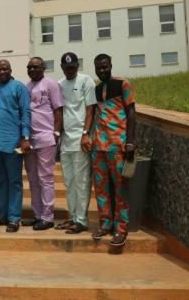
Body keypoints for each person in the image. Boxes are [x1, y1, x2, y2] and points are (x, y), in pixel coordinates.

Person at [90, 53, 136, 247]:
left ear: (110, 65)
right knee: (101, 189)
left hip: (118, 145)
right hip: (99, 146)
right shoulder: (97, 88)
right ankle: (106, 223)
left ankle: (121, 229)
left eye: (105, 67)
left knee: (120, 190)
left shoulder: (122, 85)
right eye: (98, 68)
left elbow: (132, 113)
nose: (102, 71)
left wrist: (131, 142)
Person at [0, 59, 31, 233]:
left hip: (13, 143)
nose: (2, 71)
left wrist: (25, 137)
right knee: (1, 182)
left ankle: (14, 218)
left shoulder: (19, 87)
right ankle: (3, 216)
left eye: (5, 69)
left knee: (15, 182)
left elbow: (26, 113)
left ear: (10, 70)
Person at [57, 52, 96, 234]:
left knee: (81, 181)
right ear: (62, 68)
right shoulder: (59, 84)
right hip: (66, 140)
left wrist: (86, 133)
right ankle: (72, 217)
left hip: (81, 138)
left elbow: (90, 109)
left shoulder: (86, 81)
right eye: (66, 68)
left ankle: (82, 220)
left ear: (77, 66)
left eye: (72, 67)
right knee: (69, 181)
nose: (69, 71)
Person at [23, 57, 64, 231]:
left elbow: (58, 109)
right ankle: (37, 215)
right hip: (30, 139)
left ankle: (48, 217)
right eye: (29, 67)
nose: (32, 70)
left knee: (45, 178)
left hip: (46, 137)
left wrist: (56, 133)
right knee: (32, 179)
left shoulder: (51, 84)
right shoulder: (27, 87)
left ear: (44, 68)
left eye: (36, 67)